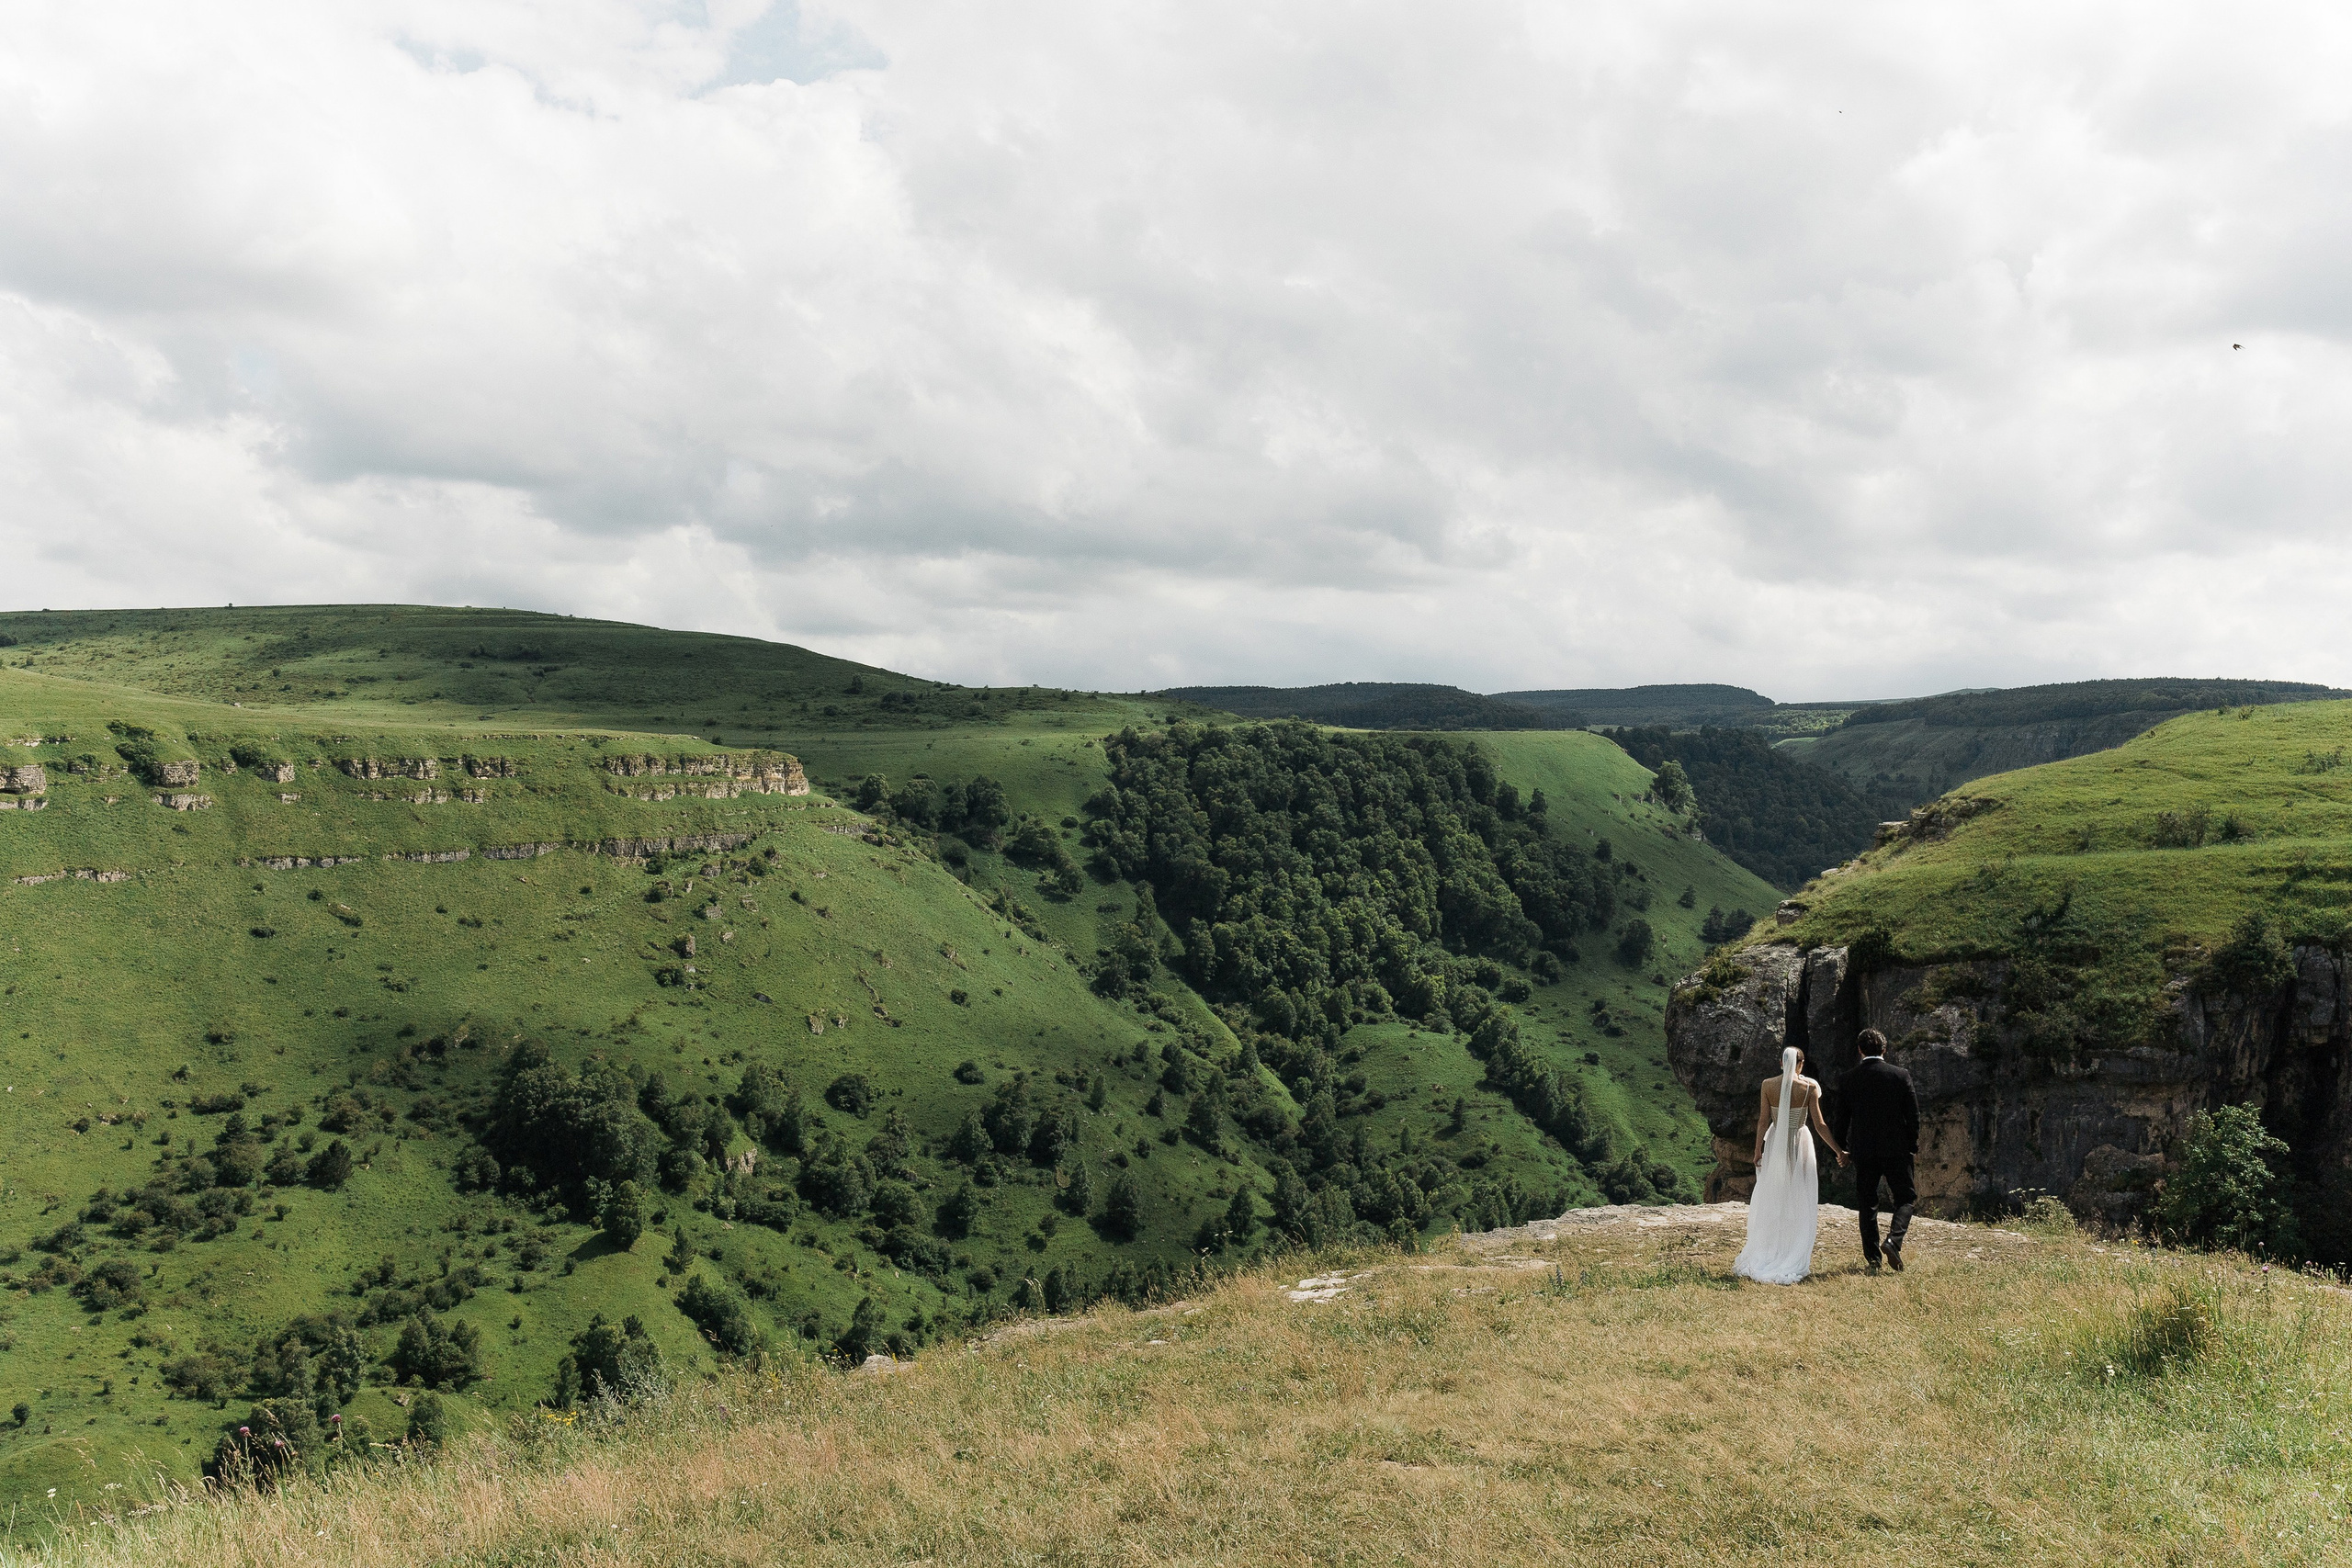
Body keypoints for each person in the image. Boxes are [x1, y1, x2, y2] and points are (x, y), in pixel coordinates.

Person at [1733, 1044, 1846, 1284]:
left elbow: (1763, 1121)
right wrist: (1838, 1150)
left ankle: (1772, 1245)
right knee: (1799, 1193)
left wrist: (1757, 1150)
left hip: (1775, 1141)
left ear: (1782, 1063)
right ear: (1801, 1065)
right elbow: (1820, 1125)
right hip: (1799, 1140)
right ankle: (1793, 1244)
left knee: (1777, 1193)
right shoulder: (1809, 1087)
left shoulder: (1768, 1085)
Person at [1830, 1028, 1920, 1273]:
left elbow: (1841, 1119)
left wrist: (1841, 1150)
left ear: (1859, 1050)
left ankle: (1873, 1261)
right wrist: (1912, 1145)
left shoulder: (1848, 1079)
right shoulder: (1900, 1075)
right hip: (1897, 1149)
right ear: (1885, 1049)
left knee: (1867, 1203)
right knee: (1906, 1198)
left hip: (1864, 1150)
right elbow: (1913, 1116)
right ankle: (1893, 1241)